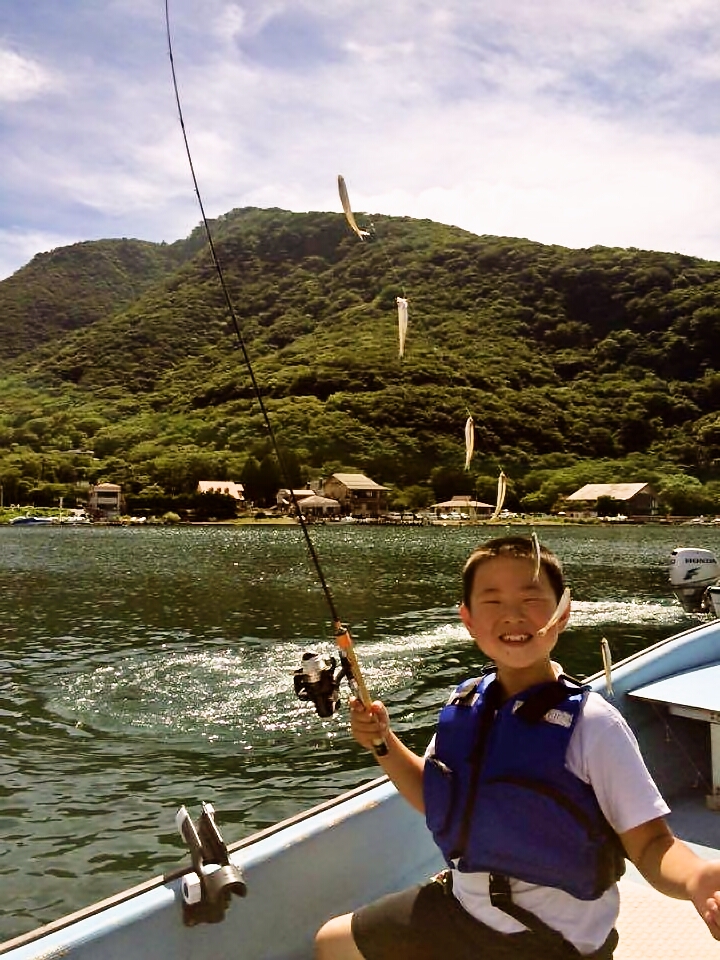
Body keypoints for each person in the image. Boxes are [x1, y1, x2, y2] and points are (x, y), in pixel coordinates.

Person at [314, 535, 720, 959]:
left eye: (531, 599)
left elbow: (651, 844)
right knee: (333, 943)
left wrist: (695, 878)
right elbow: (435, 796)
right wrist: (382, 742)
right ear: (467, 619)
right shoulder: (466, 703)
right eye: (492, 602)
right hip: (462, 907)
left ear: (562, 614)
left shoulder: (593, 725)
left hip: (552, 939)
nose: (512, 616)